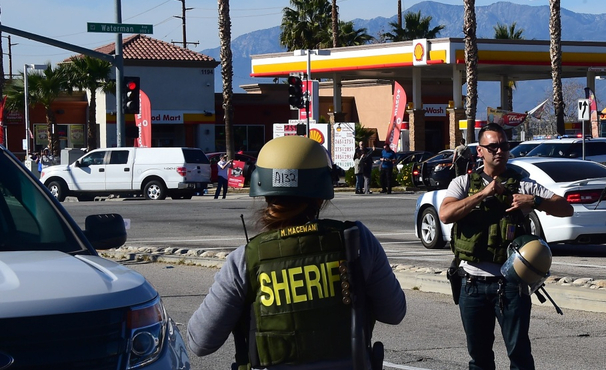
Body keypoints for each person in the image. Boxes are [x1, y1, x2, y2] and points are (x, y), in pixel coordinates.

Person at [187, 136, 406, 369]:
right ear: (321, 194)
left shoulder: (245, 260)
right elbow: (394, 312)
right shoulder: (357, 241)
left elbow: (200, 342)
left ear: (263, 192)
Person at [438, 123, 574, 370]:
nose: (499, 151)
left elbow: (566, 208)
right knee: (479, 358)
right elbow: (445, 214)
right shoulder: (463, 184)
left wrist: (535, 201)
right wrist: (483, 194)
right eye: (492, 146)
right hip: (472, 284)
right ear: (480, 151)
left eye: (504, 146)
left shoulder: (523, 184)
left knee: (519, 355)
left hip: (511, 285)